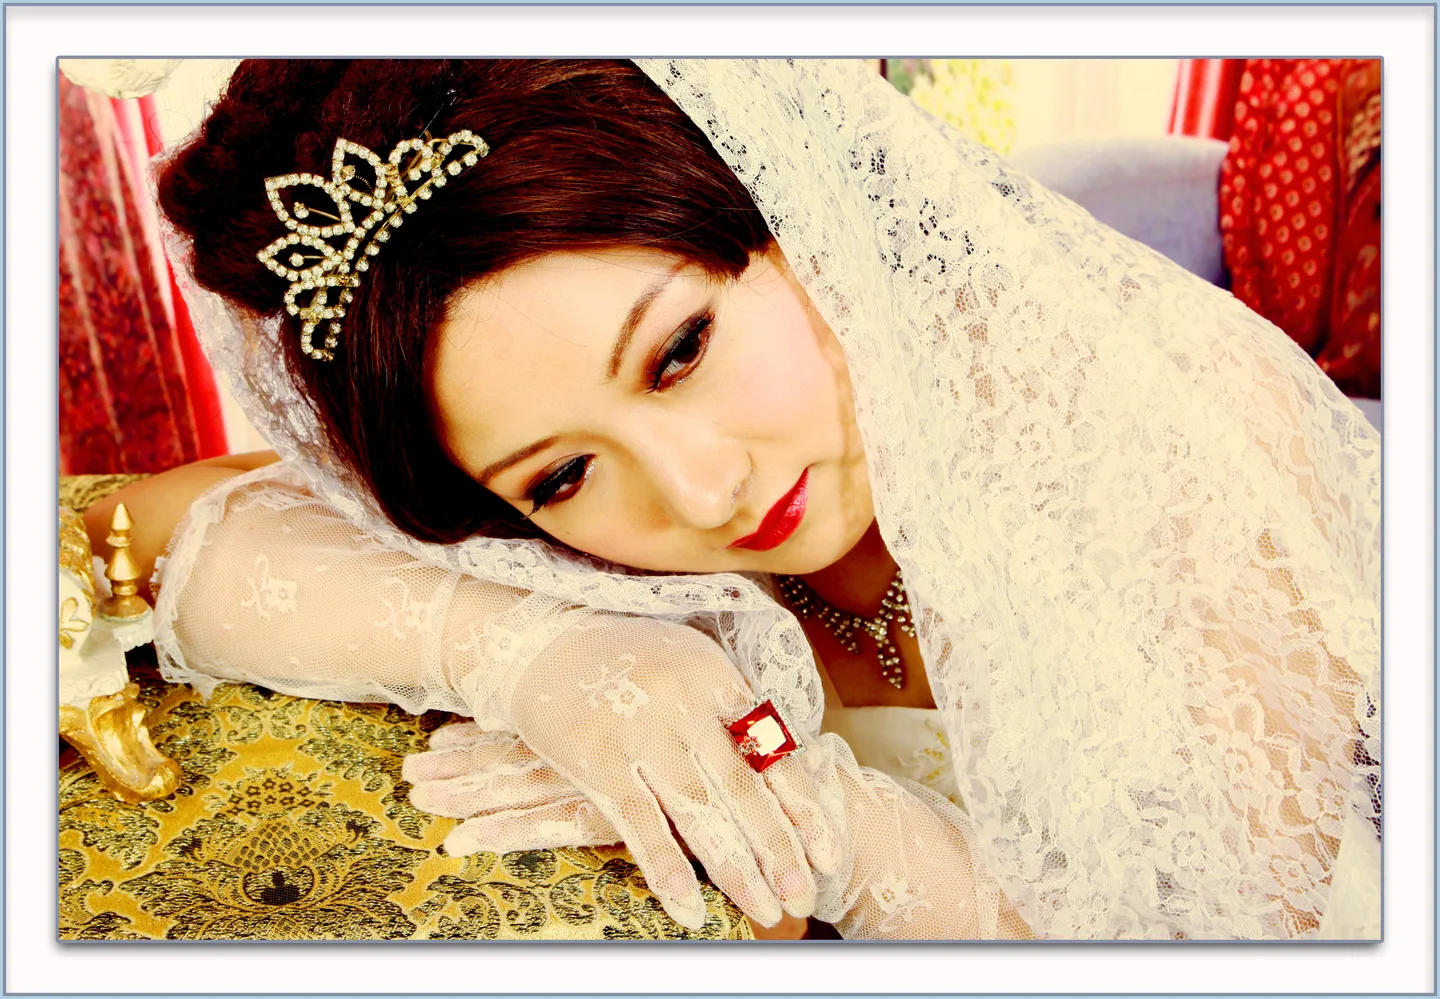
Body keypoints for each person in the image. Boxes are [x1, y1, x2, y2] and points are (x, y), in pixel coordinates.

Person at [94, 58, 1380, 940]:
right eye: (562, 473)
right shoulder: (548, 545)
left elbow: (1223, 939)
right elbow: (138, 531)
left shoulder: (1154, 433)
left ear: (789, 213)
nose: (703, 489)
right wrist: (524, 649)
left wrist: (823, 826)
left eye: (680, 352)